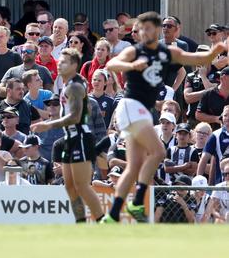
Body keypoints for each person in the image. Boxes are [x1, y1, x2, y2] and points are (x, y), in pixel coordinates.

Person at [104, 11, 225, 223]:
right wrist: (131, 66)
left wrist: (219, 48)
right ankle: (137, 202)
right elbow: (112, 65)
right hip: (132, 106)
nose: (147, 32)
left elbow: (201, 58)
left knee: (133, 167)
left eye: (152, 28)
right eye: (144, 28)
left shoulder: (167, 52)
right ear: (140, 31)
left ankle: (113, 215)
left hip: (141, 111)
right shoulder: (135, 51)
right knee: (159, 151)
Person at [30, 48, 104, 223]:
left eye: (64, 62)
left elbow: (76, 117)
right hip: (70, 139)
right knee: (69, 186)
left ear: (74, 65)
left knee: (82, 186)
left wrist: (47, 124)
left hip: (80, 138)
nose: (60, 64)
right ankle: (80, 222)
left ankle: (103, 222)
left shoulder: (76, 86)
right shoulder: (67, 85)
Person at [196, 105, 229, 185]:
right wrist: (198, 182)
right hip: (221, 185)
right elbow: (204, 159)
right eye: (225, 115)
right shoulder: (215, 135)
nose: (227, 118)